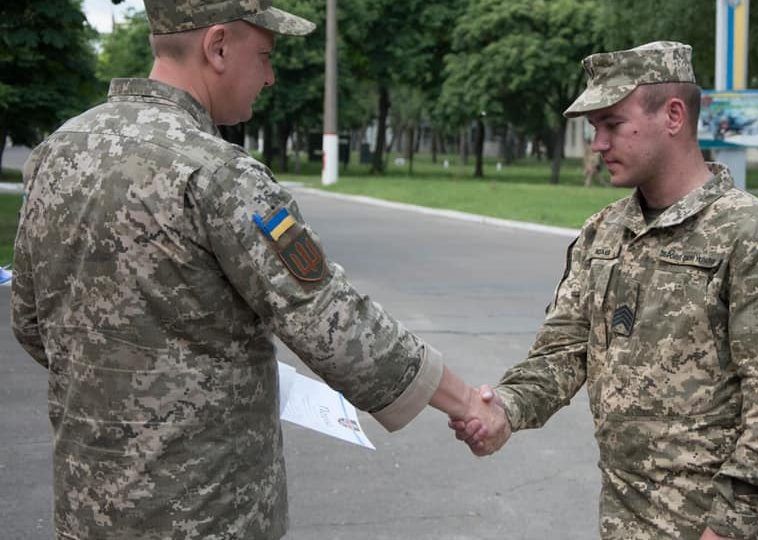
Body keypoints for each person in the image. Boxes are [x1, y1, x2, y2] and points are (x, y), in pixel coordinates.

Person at [10, 1, 504, 539]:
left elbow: (33, 321)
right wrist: (466, 401)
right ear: (217, 46)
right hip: (207, 513)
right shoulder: (220, 173)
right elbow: (333, 320)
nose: (270, 77)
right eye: (264, 55)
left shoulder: (58, 153)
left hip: (88, 506)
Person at [452, 41, 758, 540]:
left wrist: (725, 530)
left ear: (672, 116)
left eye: (612, 124)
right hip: (622, 517)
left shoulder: (754, 236)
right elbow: (563, 350)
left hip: (711, 527)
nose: (599, 143)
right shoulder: (603, 232)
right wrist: (506, 409)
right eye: (594, 129)